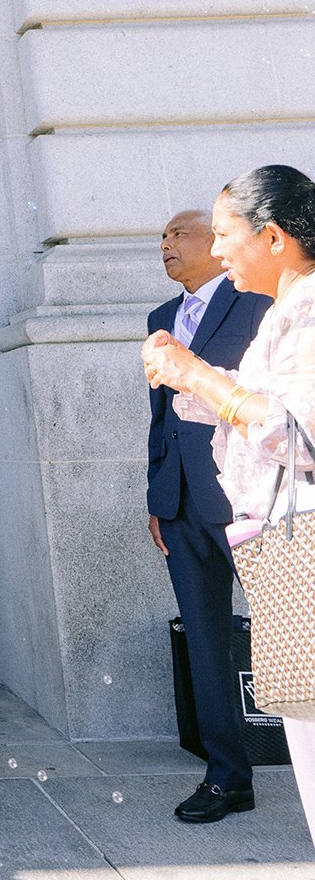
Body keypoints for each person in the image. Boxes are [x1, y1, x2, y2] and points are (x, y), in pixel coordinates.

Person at [144, 165, 315, 843]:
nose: (216, 252)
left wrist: (196, 376)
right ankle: (226, 770)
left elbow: (292, 430)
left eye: (224, 235)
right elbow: (209, 406)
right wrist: (187, 380)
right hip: (236, 518)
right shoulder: (286, 312)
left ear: (272, 237)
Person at [146, 210, 269, 822]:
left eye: (179, 235)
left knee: (289, 629)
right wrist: (155, 498)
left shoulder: (256, 303)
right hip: (181, 507)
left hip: (245, 500)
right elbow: (160, 420)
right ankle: (227, 776)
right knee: (206, 641)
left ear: (216, 247)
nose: (166, 245)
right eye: (162, 239)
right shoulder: (159, 321)